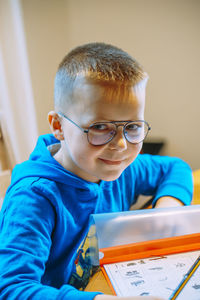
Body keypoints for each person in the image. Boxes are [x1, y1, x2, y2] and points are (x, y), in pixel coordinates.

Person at [0, 42, 193, 300]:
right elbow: (12, 289)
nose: (121, 145)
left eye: (133, 126)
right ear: (58, 126)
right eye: (100, 127)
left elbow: (175, 168)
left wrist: (166, 210)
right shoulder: (34, 197)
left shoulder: (120, 168)